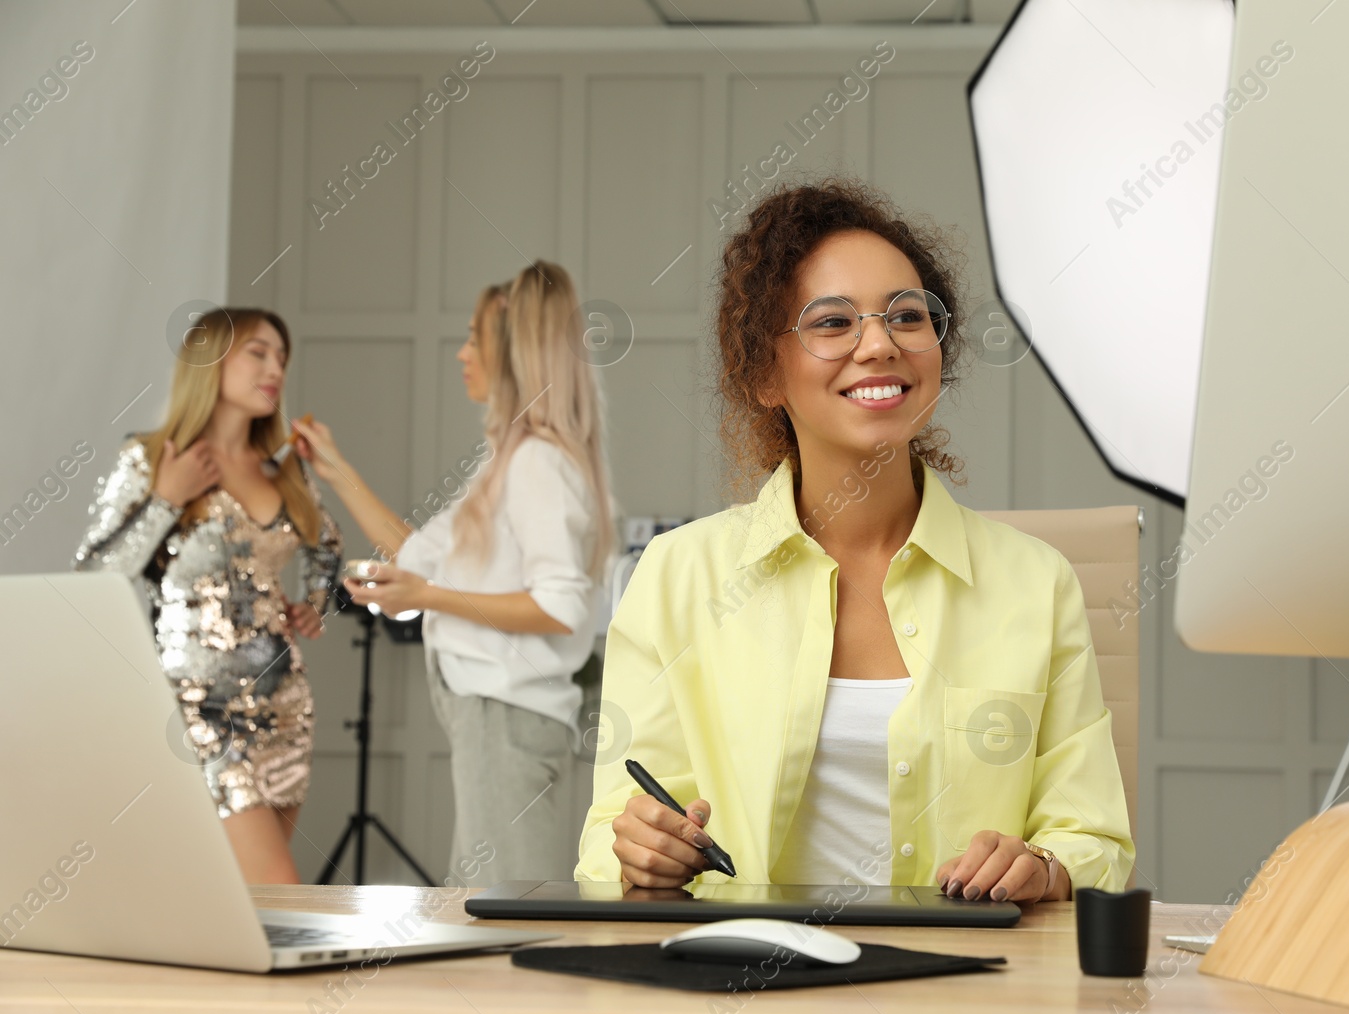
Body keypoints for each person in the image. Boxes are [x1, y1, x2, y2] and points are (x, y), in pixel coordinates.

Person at [577, 179, 1133, 903]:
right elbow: (608, 844)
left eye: (907, 315)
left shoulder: (1038, 582)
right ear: (766, 375)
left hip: (963, 994)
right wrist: (642, 853)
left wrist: (1046, 867)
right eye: (832, 323)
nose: (880, 344)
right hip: (743, 993)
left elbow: (1096, 842)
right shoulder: (678, 578)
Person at [295, 262, 613, 887]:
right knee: (478, 899)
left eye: (475, 338)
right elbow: (417, 555)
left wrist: (429, 596)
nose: (462, 353)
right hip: (485, 716)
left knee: (504, 905)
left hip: (505, 714)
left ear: (512, 353)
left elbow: (561, 606)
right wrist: (336, 471)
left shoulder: (536, 465)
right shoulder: (505, 464)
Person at [75, 308, 342, 884]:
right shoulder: (151, 458)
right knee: (279, 887)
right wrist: (166, 501)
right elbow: (93, 579)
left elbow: (329, 551)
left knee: (245, 903)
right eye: (259, 353)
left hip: (285, 708)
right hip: (195, 708)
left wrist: (316, 605)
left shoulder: (285, 472)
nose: (276, 369)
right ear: (211, 359)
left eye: (281, 359)